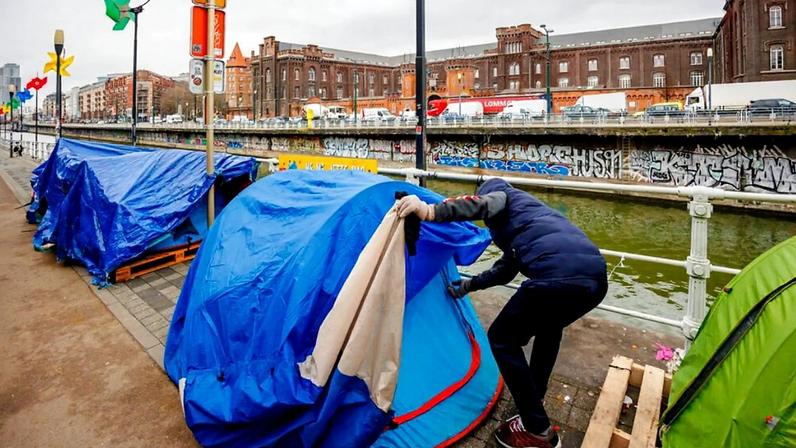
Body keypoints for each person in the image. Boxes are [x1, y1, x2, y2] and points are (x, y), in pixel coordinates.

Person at [395, 178, 607, 448]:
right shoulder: (529, 218)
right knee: (549, 327)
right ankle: (535, 398)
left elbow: (481, 204)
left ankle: (536, 429)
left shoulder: (502, 198)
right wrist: (469, 285)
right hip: (595, 279)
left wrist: (428, 211)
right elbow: (505, 270)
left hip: (556, 277)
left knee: (502, 338)